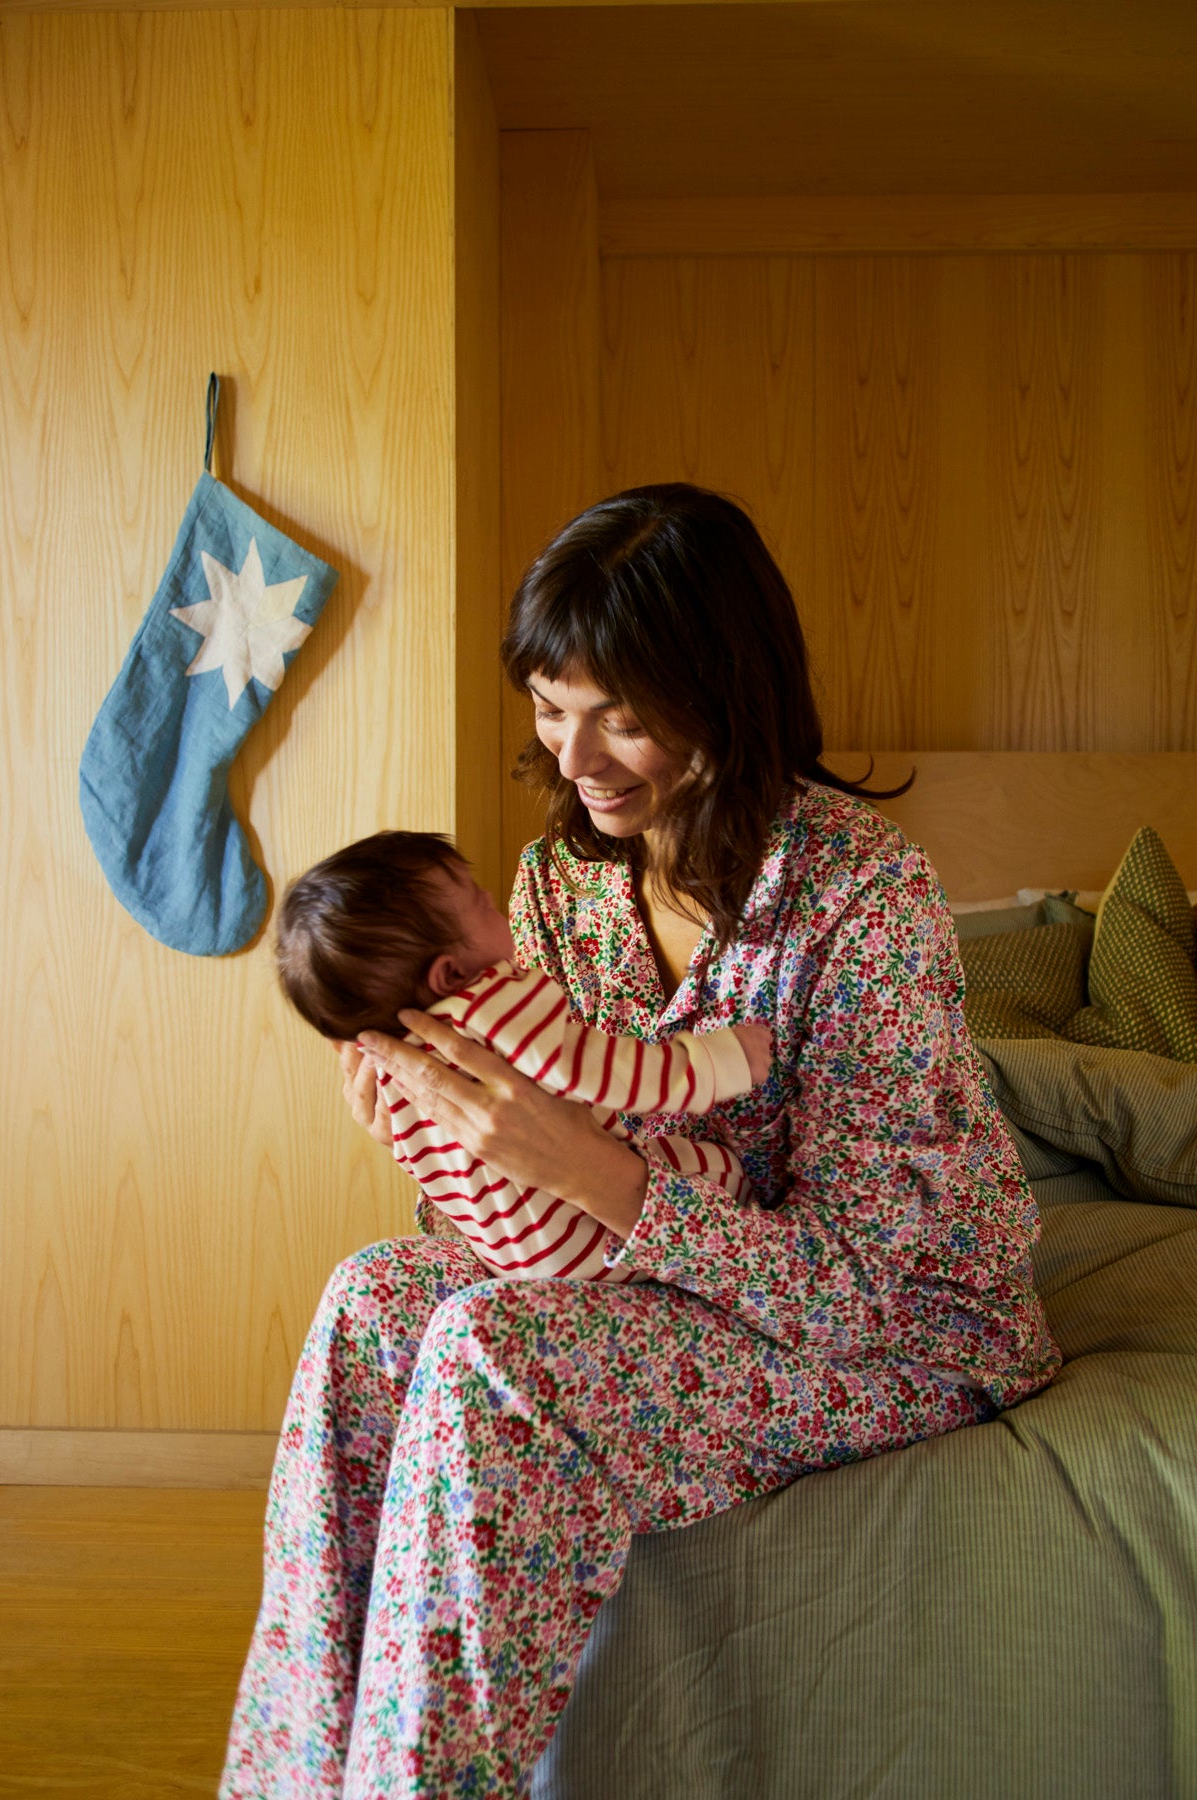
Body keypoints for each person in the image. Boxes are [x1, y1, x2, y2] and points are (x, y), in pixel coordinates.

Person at [221, 483, 1060, 1800]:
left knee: (502, 1359)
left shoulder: (865, 896)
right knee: (375, 1301)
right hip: (665, 1280)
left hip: (904, 1324)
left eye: (624, 712)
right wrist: (439, 1136)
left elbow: (855, 1286)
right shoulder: (561, 886)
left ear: (726, 689)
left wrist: (594, 1174)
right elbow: (522, 1228)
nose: (578, 756)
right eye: (553, 708)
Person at [274, 829, 771, 1281]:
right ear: (448, 975)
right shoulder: (492, 999)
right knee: (720, 1169)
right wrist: (721, 1061)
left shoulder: (397, 1063)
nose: (495, 902)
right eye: (482, 904)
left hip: (512, 1259)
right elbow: (603, 1072)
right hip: (597, 1244)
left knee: (368, 1281)